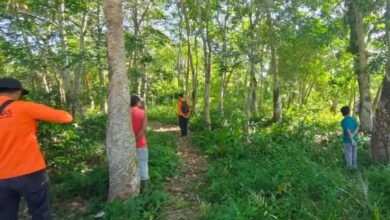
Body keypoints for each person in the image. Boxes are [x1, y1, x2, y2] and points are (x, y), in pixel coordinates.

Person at [0, 78, 73, 220]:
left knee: (5, 215)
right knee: (40, 214)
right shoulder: (24, 107)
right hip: (30, 172)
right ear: (17, 92)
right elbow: (66, 117)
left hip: (1, 177)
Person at [130, 95, 149, 192]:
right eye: (140, 102)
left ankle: (132, 189)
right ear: (138, 103)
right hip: (141, 144)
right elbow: (143, 128)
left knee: (129, 167)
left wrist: (131, 142)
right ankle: (144, 190)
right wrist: (136, 140)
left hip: (127, 146)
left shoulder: (125, 113)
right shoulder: (143, 112)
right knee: (143, 165)